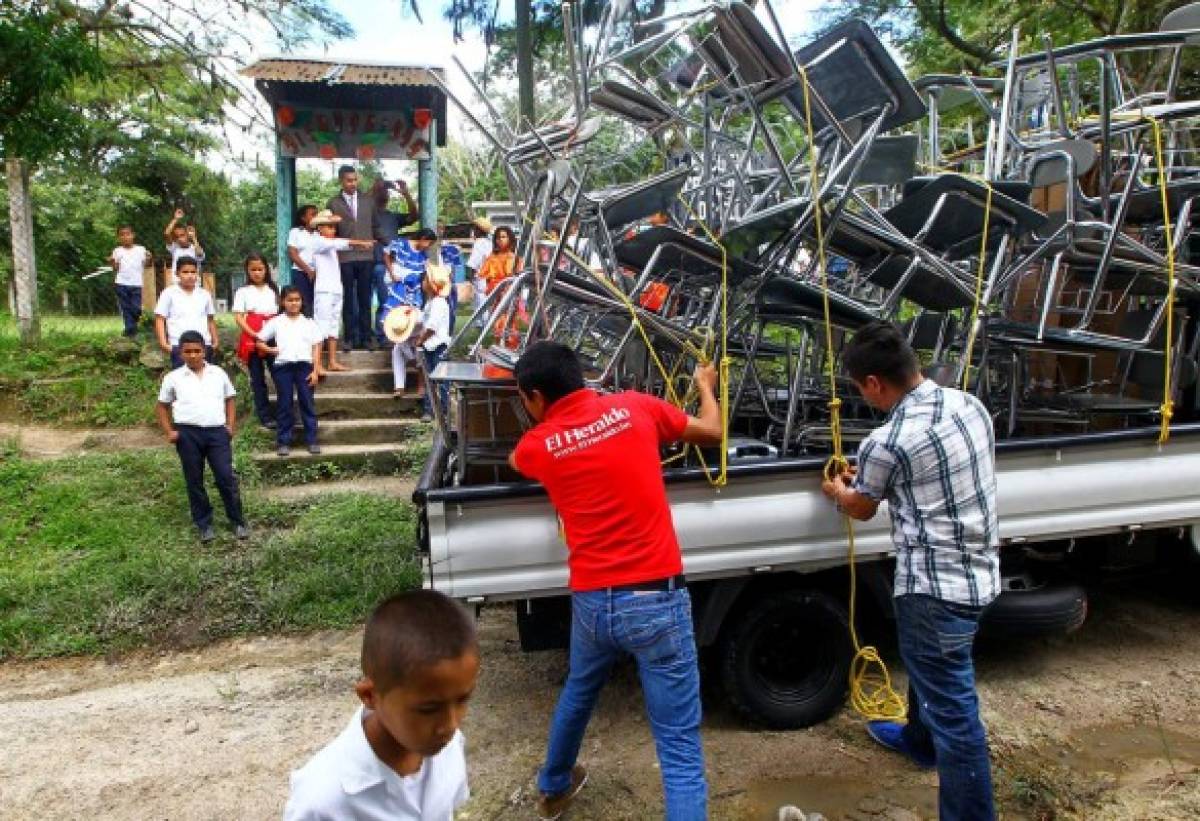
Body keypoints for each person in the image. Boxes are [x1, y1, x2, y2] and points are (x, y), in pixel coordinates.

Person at [508, 341, 722, 820]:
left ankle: (554, 785)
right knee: (678, 745)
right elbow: (713, 430)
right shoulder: (635, 406)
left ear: (536, 397)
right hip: (657, 600)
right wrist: (705, 387)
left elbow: (516, 463)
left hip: (593, 604)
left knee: (579, 690)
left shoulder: (537, 446)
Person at [820, 321, 999, 821]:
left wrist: (839, 492)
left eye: (860, 388)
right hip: (980, 574)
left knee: (957, 720)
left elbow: (861, 508)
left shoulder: (888, 440)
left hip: (932, 590)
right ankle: (918, 741)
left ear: (874, 383)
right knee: (932, 671)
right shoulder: (969, 404)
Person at [283, 589, 479, 821]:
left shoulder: (448, 747)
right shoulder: (323, 800)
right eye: (428, 709)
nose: (450, 725)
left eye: (462, 700)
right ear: (370, 696)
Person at [155, 329, 248, 543]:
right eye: (188, 351)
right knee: (194, 480)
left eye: (197, 350)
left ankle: (237, 521)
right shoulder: (173, 378)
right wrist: (170, 431)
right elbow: (161, 406)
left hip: (216, 432)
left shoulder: (218, 373)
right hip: (188, 434)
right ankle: (204, 524)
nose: (193, 355)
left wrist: (230, 425)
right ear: (181, 353)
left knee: (226, 478)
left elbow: (230, 398)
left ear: (204, 350)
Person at [257, 286, 323, 457]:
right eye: (290, 300)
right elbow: (259, 341)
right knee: (284, 403)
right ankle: (283, 441)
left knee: (307, 402)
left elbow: (316, 347)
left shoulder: (309, 322)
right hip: (283, 367)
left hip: (304, 367)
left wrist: (315, 370)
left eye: (297, 300)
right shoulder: (276, 321)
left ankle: (312, 440)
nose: (294, 303)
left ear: (302, 302)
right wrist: (271, 351)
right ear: (282, 302)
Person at [309, 209, 375, 374]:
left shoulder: (329, 244)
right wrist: (361, 243)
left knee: (332, 326)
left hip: (335, 289)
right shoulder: (317, 242)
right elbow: (340, 243)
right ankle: (316, 364)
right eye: (329, 227)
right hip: (324, 291)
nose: (333, 230)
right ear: (320, 228)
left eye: (333, 227)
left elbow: (338, 243)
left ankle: (332, 361)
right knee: (320, 327)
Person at [327, 165, 381, 352]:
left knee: (365, 299)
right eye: (349, 180)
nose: (353, 183)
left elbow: (375, 225)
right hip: (345, 257)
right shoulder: (333, 203)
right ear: (341, 181)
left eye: (355, 180)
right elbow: (330, 232)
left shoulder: (369, 201)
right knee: (347, 299)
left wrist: (380, 244)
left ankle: (367, 337)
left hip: (366, 255)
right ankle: (349, 338)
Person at [232, 253, 279, 429]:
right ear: (247, 271)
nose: (257, 273)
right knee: (257, 379)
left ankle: (284, 412)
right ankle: (265, 416)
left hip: (273, 335)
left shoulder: (274, 289)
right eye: (253, 269)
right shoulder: (242, 292)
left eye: (260, 269)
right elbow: (238, 317)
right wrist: (255, 334)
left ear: (266, 269)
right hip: (252, 337)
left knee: (279, 375)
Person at [372, 178, 419, 345]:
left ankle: (384, 336)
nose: (384, 193)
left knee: (387, 301)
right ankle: (364, 338)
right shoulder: (366, 213)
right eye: (380, 191)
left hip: (386, 264)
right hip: (364, 263)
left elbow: (414, 216)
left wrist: (405, 193)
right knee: (359, 305)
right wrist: (376, 188)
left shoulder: (392, 216)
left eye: (385, 191)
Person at [154, 257, 218, 369]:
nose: (190, 275)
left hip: (203, 346)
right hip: (179, 346)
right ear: (177, 273)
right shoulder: (168, 293)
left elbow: (210, 319)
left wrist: (215, 343)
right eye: (185, 272)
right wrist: (164, 344)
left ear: (197, 274)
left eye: (193, 272)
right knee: (182, 382)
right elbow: (160, 318)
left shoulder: (204, 294)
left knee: (205, 381)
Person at [411, 264, 453, 423]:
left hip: (438, 346)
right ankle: (430, 409)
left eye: (425, 280)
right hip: (430, 347)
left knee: (441, 380)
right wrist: (412, 314)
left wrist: (420, 340)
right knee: (430, 379)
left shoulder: (439, 303)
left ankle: (442, 410)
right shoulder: (431, 302)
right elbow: (423, 318)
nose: (422, 283)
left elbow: (431, 327)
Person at [109, 225, 150, 337]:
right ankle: (130, 330)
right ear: (118, 238)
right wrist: (112, 262)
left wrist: (148, 258)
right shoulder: (117, 251)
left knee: (136, 308)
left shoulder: (141, 249)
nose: (125, 237)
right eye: (122, 235)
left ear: (133, 235)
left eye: (128, 234)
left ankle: (135, 326)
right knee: (125, 308)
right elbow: (115, 268)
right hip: (121, 283)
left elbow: (146, 264)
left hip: (137, 283)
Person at [287, 204, 319, 318]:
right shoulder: (296, 232)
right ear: (303, 218)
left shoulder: (319, 233)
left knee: (317, 304)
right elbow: (292, 253)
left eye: (317, 214)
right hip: (300, 273)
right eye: (313, 214)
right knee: (303, 303)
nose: (316, 217)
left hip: (318, 274)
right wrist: (308, 270)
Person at [163, 208, 206, 284]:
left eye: (182, 235)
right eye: (177, 237)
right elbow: (166, 234)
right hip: (177, 284)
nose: (179, 239)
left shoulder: (195, 248)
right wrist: (175, 219)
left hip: (194, 285)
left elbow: (199, 254)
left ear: (187, 235)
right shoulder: (175, 248)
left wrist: (193, 237)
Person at [476, 225, 517, 301]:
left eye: (503, 237)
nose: (500, 240)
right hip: (493, 293)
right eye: (498, 237)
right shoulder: (492, 256)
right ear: (495, 240)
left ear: (510, 239)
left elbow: (512, 276)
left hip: (508, 294)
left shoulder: (514, 256)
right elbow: (484, 275)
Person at [466, 217, 494, 312]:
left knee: (482, 312)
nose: (472, 231)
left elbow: (473, 264)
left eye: (474, 228)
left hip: (481, 283)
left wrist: (468, 281)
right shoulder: (490, 243)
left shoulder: (479, 243)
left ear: (478, 230)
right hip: (489, 282)